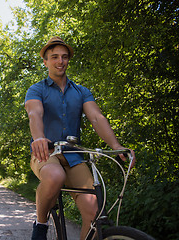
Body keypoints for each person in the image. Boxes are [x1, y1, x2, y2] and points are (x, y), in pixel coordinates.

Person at [25, 36, 135, 240]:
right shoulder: (37, 89)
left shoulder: (81, 92)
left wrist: (116, 145)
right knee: (55, 176)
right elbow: (35, 114)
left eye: (64, 57)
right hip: (46, 153)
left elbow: (96, 117)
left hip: (74, 156)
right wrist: (39, 138)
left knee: (95, 212)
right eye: (54, 57)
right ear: (45, 61)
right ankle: (40, 224)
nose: (60, 61)